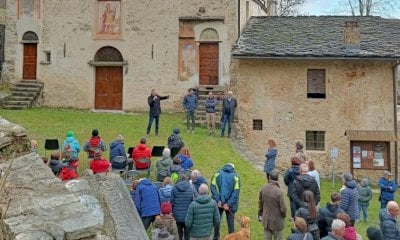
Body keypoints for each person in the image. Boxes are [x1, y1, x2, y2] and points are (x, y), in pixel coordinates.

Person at [210, 163, 240, 240]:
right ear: (233, 168)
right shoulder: (236, 176)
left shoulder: (217, 173)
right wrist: (229, 204)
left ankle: (216, 238)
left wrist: (218, 200)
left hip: (219, 204)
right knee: (231, 224)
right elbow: (236, 192)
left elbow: (212, 187)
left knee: (217, 222)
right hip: (230, 205)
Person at [258, 170, 287, 240]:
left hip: (266, 220)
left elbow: (260, 204)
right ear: (277, 179)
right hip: (277, 222)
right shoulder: (279, 192)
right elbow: (284, 209)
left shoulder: (263, 188)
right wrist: (283, 216)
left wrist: (260, 214)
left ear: (269, 178)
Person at [170, 174, 194, 240]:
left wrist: (172, 213)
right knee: (187, 235)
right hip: (187, 216)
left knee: (179, 235)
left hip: (177, 216)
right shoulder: (190, 188)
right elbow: (192, 202)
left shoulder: (174, 188)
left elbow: (171, 202)